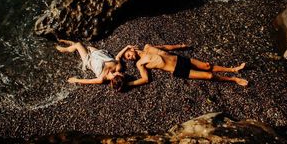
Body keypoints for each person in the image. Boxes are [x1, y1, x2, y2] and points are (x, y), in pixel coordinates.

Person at [118, 44, 248, 86]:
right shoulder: (140, 64)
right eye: (127, 58)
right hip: (177, 70)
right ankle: (234, 79)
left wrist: (179, 46)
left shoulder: (148, 46)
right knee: (208, 76)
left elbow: (164, 47)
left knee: (207, 65)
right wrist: (129, 84)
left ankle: (233, 69)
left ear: (131, 49)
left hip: (179, 59)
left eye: (128, 55)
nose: (129, 58)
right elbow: (145, 79)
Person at [55, 39, 125, 91]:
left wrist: (75, 80)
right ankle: (72, 45)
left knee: (78, 44)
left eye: (121, 74)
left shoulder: (101, 78)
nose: (121, 73)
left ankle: (65, 49)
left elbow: (88, 81)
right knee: (87, 46)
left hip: (88, 59)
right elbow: (118, 57)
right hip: (97, 53)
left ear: (115, 76)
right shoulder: (118, 67)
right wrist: (127, 47)